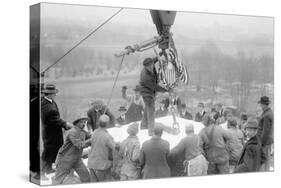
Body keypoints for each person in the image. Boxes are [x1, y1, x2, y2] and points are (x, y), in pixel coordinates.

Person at [41, 84, 73, 178]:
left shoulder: (49, 102)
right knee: (48, 153)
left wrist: (63, 124)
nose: (55, 95)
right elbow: (56, 120)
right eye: (54, 93)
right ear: (49, 94)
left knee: (54, 150)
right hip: (51, 134)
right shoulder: (48, 107)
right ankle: (41, 173)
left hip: (53, 132)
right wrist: (67, 125)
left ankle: (49, 169)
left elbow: (56, 118)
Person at [53, 117, 91, 184]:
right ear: (77, 123)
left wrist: (95, 134)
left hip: (77, 159)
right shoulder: (72, 132)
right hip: (65, 159)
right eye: (82, 122)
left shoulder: (82, 131)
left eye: (85, 122)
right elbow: (79, 145)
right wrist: (90, 141)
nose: (84, 124)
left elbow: (90, 136)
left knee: (86, 177)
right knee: (58, 180)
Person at [139, 57, 168, 135]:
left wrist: (160, 55)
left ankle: (143, 125)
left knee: (148, 108)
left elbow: (155, 59)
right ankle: (151, 131)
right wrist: (165, 90)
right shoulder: (145, 77)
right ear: (145, 67)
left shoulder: (151, 63)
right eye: (149, 66)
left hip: (151, 91)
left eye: (152, 65)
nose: (151, 67)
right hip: (146, 92)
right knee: (151, 110)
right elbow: (154, 86)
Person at [88, 115, 117, 182]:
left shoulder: (94, 132)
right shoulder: (107, 136)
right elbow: (114, 148)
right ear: (107, 124)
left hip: (91, 164)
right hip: (101, 166)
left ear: (99, 123)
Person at [257, 96, 274, 171]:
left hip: (265, 142)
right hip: (267, 141)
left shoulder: (267, 115)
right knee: (266, 159)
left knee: (264, 159)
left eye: (261, 104)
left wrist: (261, 142)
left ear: (264, 104)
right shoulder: (267, 112)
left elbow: (265, 131)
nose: (260, 106)